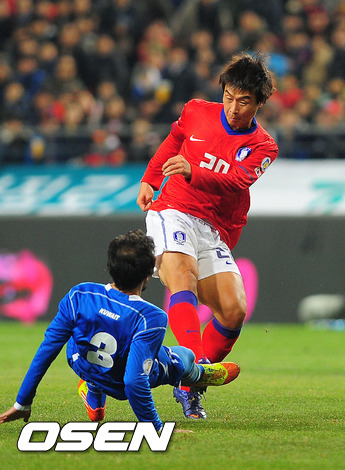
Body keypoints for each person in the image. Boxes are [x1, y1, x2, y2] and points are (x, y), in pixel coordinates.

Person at [136, 52, 277, 418]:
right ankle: (196, 367)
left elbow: (236, 181)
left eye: (243, 101)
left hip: (213, 226)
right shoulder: (197, 110)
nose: (233, 107)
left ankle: (186, 383)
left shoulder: (264, 146)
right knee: (183, 277)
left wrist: (193, 170)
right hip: (173, 209)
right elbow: (174, 139)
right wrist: (151, 177)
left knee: (233, 310)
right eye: (228, 96)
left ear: (260, 103)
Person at [0, 230, 240, 430]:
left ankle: (93, 389)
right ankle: (196, 374)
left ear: (110, 267)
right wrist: (155, 429)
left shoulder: (79, 294)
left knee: (81, 332)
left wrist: (22, 403)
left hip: (81, 363)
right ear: (149, 275)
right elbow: (134, 382)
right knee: (180, 356)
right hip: (119, 384)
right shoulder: (151, 316)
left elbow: (48, 348)